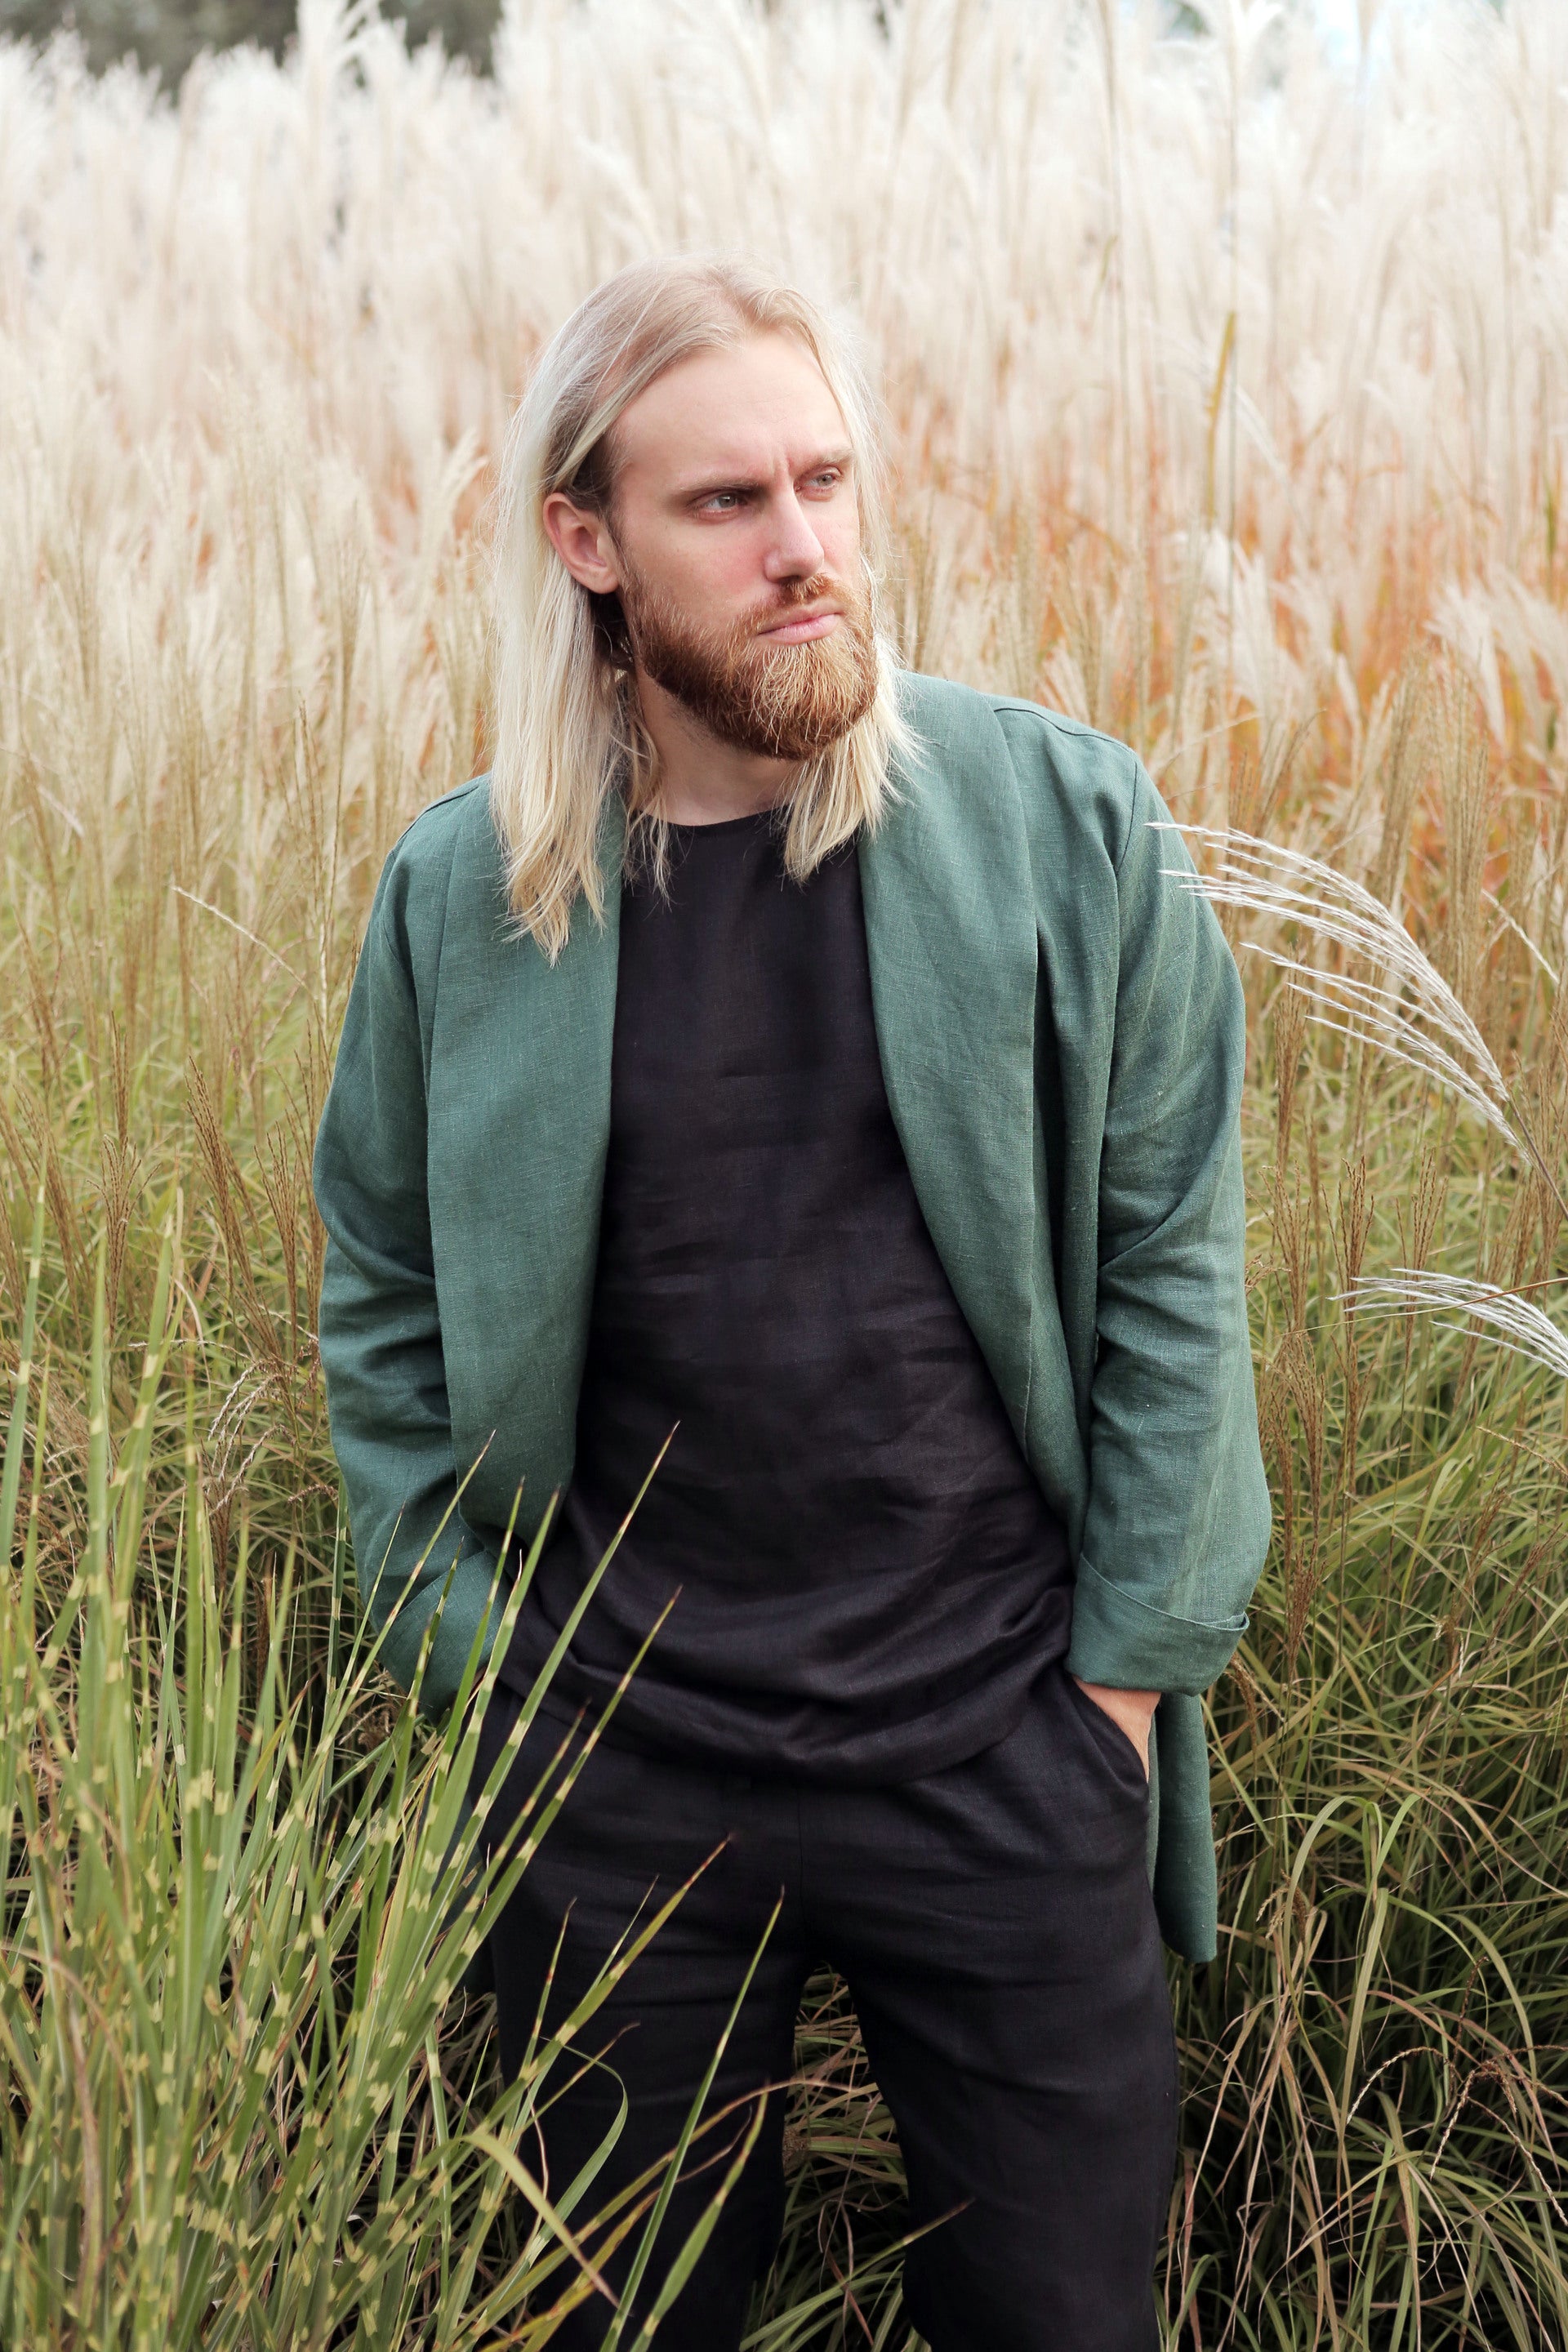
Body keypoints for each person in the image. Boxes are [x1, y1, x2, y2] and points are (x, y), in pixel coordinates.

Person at [313, 252, 1271, 2352]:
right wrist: (491, 1678)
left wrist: (1120, 1697)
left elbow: (1175, 1272)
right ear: (588, 543)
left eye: (825, 481)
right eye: (727, 502)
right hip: (616, 1778)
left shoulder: (1068, 826)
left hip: (1008, 1750)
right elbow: (380, 1302)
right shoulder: (464, 899)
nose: (805, 547)